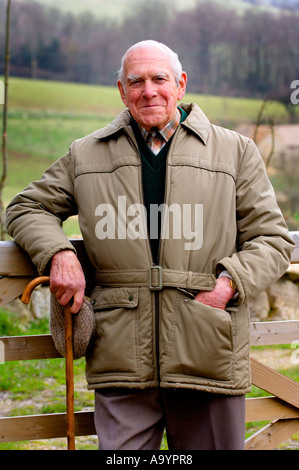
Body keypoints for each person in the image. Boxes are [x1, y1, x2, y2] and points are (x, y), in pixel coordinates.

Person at [6, 40, 294, 450]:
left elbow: (273, 239)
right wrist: (59, 253)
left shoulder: (235, 151)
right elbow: (25, 207)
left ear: (180, 84)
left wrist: (226, 286)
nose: (149, 90)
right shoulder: (86, 153)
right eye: (135, 81)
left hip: (206, 348)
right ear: (122, 91)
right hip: (122, 354)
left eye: (160, 78)